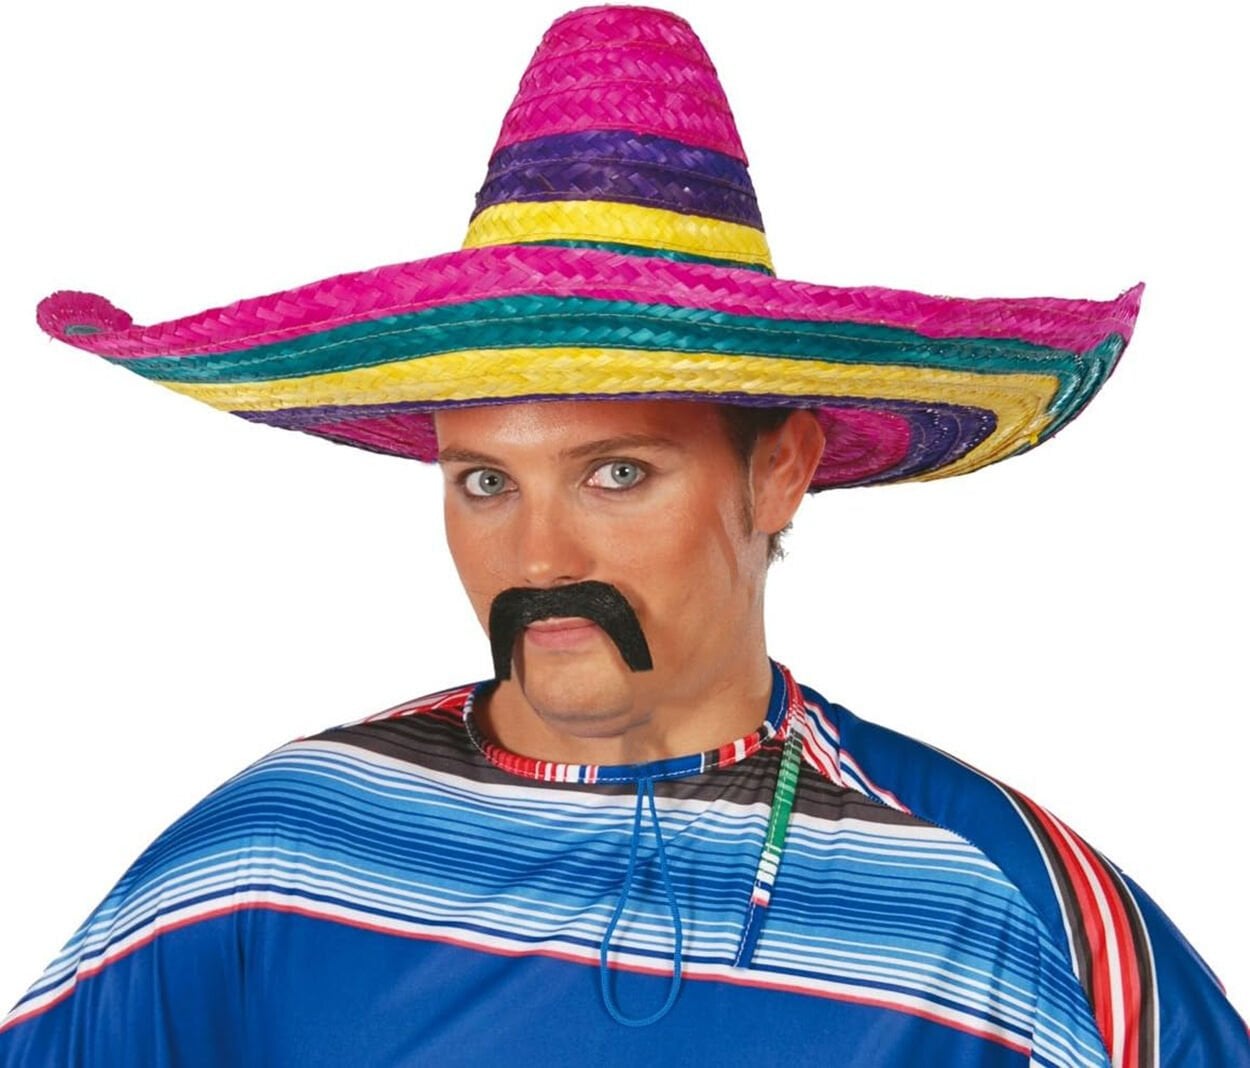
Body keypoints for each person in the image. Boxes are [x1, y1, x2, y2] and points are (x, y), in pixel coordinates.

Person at [3, 5, 1246, 1066]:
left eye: (614, 473)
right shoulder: (286, 852)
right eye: (484, 482)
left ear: (780, 469)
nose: (539, 560)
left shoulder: (986, 896)